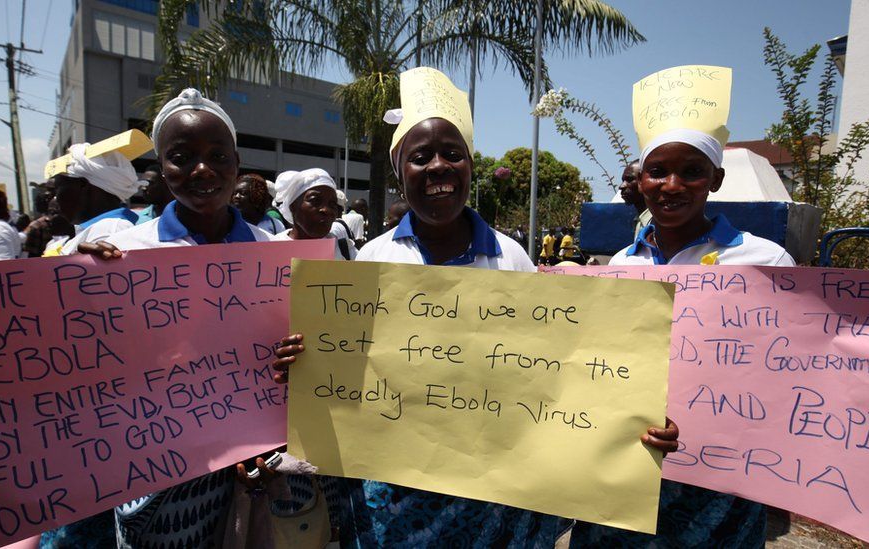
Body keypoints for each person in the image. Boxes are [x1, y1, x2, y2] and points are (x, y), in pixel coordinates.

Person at [270, 66, 678, 548]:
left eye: (453, 154)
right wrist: (302, 364)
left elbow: (559, 369)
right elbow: (347, 365)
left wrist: (631, 415)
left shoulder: (511, 258)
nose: (439, 166)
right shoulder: (374, 258)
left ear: (469, 167)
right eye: (421, 157)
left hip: (491, 490)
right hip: (392, 489)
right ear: (401, 176)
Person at [570, 70, 794, 549]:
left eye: (691, 171)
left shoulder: (765, 261)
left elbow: (797, 367)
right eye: (657, 171)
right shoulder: (624, 264)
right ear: (640, 181)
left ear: (716, 178)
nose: (672, 185)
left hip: (720, 484)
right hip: (624, 475)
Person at [68, 88, 276, 548]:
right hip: (156, 478)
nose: (203, 170)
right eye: (182, 157)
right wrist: (76, 280)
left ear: (236, 162)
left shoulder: (275, 256)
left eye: (217, 155)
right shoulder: (127, 255)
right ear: (162, 168)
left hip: (254, 467)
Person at [49, 140, 142, 255]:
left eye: (57, 188)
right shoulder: (101, 229)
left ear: (82, 185)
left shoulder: (108, 231)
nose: (55, 198)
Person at [271, 169, 356, 260]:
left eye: (332, 204)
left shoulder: (345, 250)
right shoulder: (271, 248)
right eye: (315, 201)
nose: (326, 210)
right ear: (292, 206)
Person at [620, 160, 652, 237]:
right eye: (623, 180)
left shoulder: (657, 223)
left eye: (629, 179)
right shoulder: (640, 220)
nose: (621, 186)